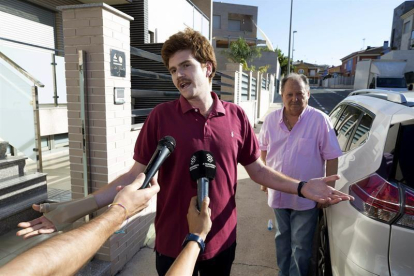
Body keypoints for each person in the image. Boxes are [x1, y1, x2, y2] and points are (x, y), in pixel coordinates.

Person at [16, 28, 353, 276]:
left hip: (222, 239)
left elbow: (258, 171)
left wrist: (302, 186)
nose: (178, 75)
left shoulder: (236, 116)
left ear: (207, 67)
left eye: (185, 66)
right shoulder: (160, 117)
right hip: (171, 242)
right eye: (173, 70)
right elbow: (134, 177)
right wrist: (73, 210)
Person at [1, 173, 212, 276]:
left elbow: (37, 269)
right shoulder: (161, 116)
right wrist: (197, 236)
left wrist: (72, 209)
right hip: (174, 244)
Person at [259, 73, 342, 276]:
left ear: (308, 94)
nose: (294, 98)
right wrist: (263, 179)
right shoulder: (271, 120)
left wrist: (328, 192)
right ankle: (283, 272)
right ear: (281, 95)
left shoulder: (320, 120)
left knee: (301, 246)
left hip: (306, 198)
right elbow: (262, 149)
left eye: (299, 94)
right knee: (281, 239)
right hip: (278, 193)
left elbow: (332, 157)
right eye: (289, 94)